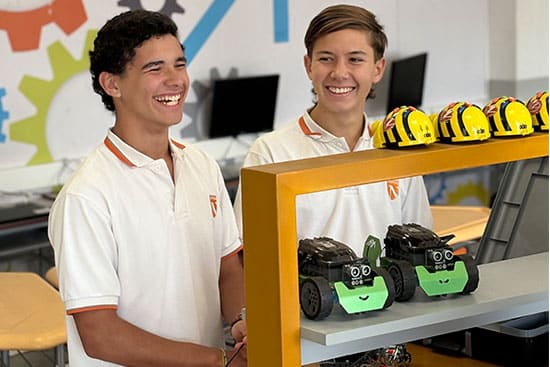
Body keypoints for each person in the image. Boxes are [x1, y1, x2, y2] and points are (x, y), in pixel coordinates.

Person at [48, 10, 247, 366]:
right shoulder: (86, 196)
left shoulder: (201, 165)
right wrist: (216, 359)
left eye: (179, 64)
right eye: (155, 69)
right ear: (113, 84)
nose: (175, 80)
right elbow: (100, 335)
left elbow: (228, 269)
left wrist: (240, 321)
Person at [234, 4, 432, 258]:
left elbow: (420, 242)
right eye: (326, 58)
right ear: (309, 66)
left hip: (392, 298)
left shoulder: (398, 148)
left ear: (378, 69)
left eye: (355, 59)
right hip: (309, 299)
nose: (339, 73)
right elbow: (252, 260)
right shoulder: (269, 154)